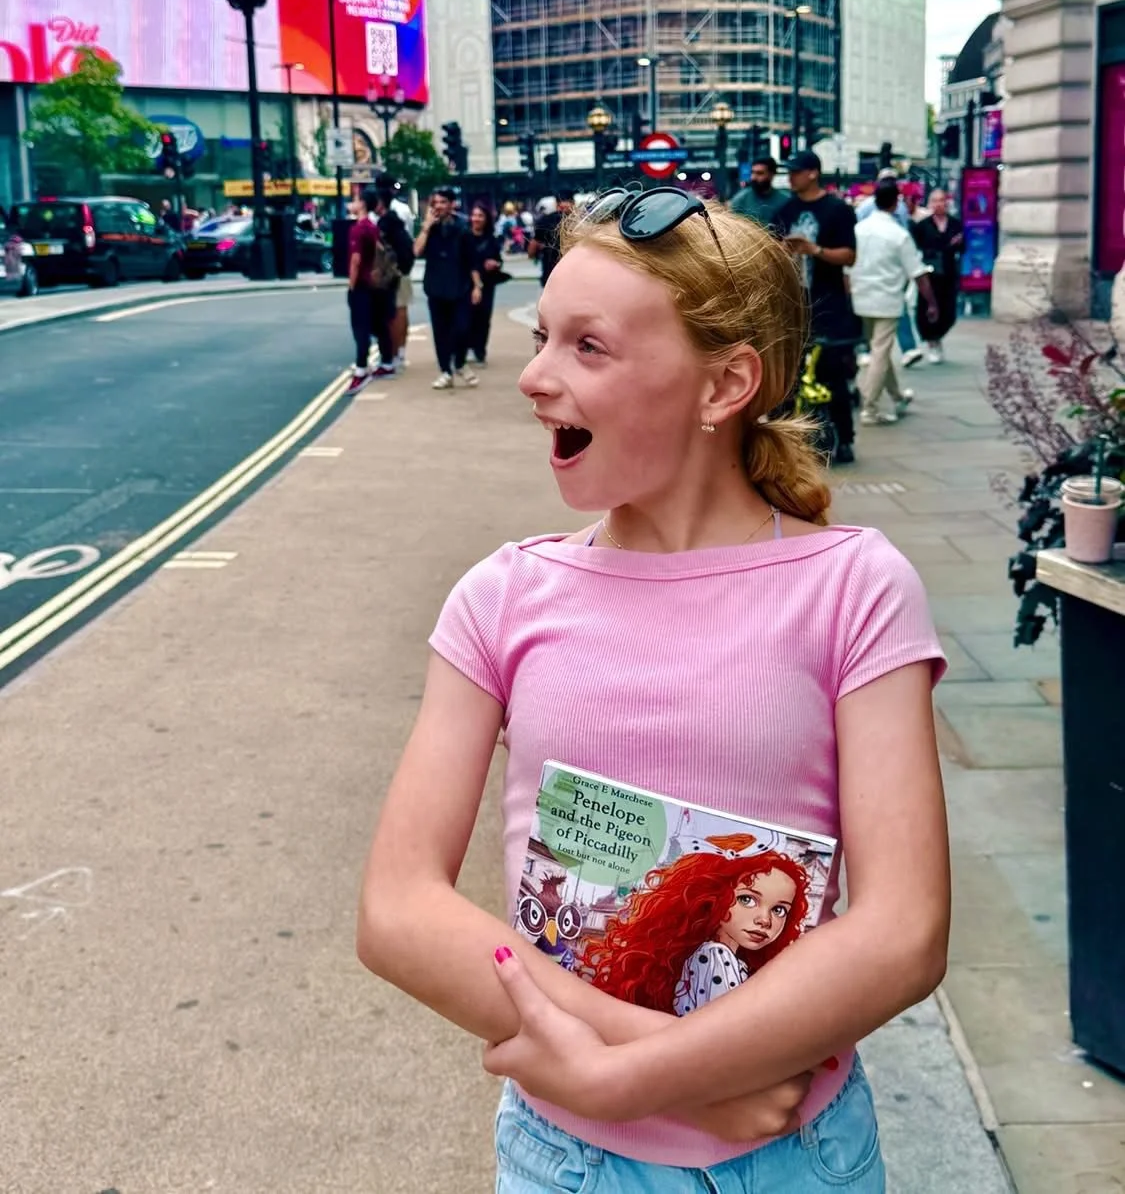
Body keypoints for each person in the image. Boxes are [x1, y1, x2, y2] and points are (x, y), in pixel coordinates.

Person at [358, 186, 949, 1193]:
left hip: (798, 1161)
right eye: (543, 337)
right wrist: (653, 1076)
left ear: (725, 386)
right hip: (567, 1158)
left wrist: (623, 1077)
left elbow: (904, 930)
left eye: (588, 348)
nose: (535, 378)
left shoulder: (854, 588)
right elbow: (398, 908)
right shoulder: (500, 599)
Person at [581, 848, 810, 1016]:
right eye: (747, 899)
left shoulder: (728, 960)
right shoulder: (715, 956)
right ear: (712, 898)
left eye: (779, 910)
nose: (765, 920)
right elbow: (732, 1036)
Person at [777, 151, 861, 465]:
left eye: (796, 172)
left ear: (813, 173)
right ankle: (789, 439)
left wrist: (815, 250)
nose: (790, 177)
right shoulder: (786, 209)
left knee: (832, 373)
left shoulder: (837, 210)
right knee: (790, 376)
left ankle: (845, 438)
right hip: (795, 306)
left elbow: (850, 256)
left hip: (829, 305)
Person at [850, 183, 940, 427]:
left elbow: (848, 267)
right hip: (887, 300)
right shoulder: (899, 235)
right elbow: (917, 273)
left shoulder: (859, 229)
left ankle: (897, 396)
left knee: (879, 350)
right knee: (880, 352)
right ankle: (869, 408)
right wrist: (931, 303)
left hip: (860, 298)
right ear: (895, 203)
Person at [414, 186, 483, 390]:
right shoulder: (430, 229)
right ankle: (446, 371)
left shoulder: (463, 228)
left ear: (452, 204)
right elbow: (417, 251)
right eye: (435, 203)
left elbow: (472, 261)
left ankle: (460, 363)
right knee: (440, 332)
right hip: (435, 287)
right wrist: (426, 226)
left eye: (443, 202)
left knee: (462, 329)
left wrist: (477, 286)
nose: (439, 206)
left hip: (460, 287)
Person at [345, 187, 397, 397]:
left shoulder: (357, 229)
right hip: (376, 285)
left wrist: (351, 285)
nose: (352, 203)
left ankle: (361, 370)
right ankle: (386, 362)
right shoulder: (372, 227)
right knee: (378, 324)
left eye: (355, 200)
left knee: (361, 329)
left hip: (362, 286)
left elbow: (356, 260)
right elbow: (381, 250)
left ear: (362, 204)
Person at [912, 191, 964, 363]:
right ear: (929, 203)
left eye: (941, 200)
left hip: (949, 272)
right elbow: (916, 249)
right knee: (928, 309)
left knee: (949, 310)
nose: (938, 204)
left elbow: (963, 247)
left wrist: (957, 244)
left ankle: (939, 335)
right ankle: (932, 342)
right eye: (934, 201)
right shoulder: (923, 225)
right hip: (929, 274)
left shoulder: (955, 224)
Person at [373, 173, 416, 374]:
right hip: (403, 267)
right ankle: (400, 352)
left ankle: (392, 354)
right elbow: (409, 236)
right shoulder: (404, 209)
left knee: (391, 313)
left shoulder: (378, 213)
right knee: (401, 310)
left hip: (387, 270)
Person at [467, 203, 505, 365]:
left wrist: (495, 264)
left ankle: (480, 350)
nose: (476, 219)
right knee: (466, 316)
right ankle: (466, 347)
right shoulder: (465, 236)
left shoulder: (491, 240)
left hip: (487, 282)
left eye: (480, 216)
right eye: (474, 215)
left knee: (483, 316)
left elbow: (499, 260)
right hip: (466, 281)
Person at [729, 155, 790, 235]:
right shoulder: (740, 200)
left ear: (771, 175)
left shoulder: (785, 200)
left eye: (759, 173)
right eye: (752, 172)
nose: (753, 177)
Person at [529, 191, 574, 286]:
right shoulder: (581, 220)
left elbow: (533, 246)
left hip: (551, 271)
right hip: (574, 271)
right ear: (573, 203)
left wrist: (534, 254)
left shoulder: (545, 220)